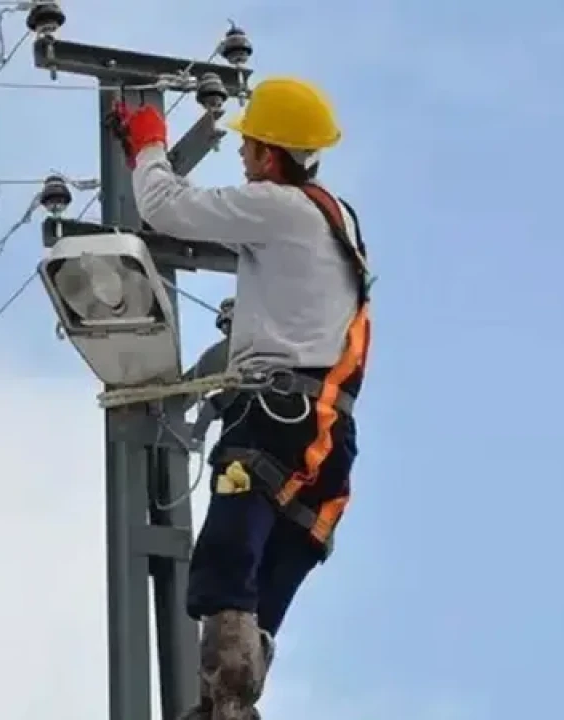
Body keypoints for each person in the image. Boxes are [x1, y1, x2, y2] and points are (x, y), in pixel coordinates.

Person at [112, 76, 373, 720]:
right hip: (326, 438)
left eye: (248, 145)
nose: (241, 156)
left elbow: (164, 208)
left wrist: (148, 146)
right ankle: (224, 704)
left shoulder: (279, 208)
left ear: (269, 153)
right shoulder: (333, 221)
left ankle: (225, 696)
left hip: (275, 420)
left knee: (228, 561)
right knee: (261, 588)